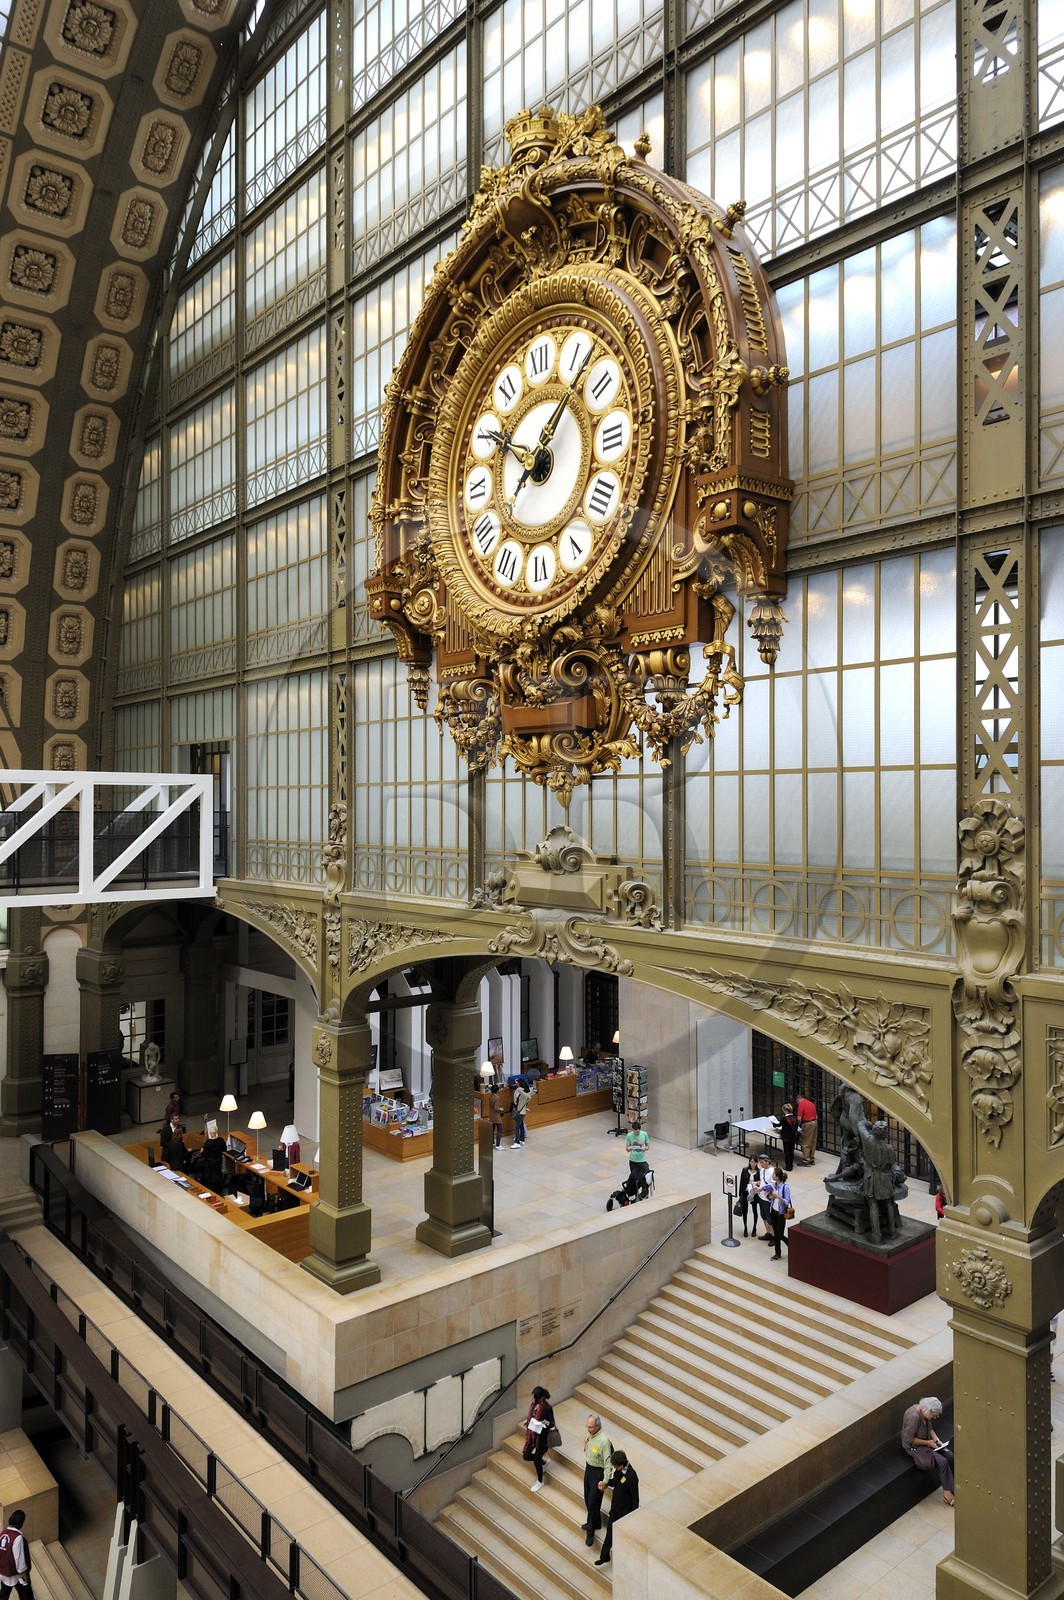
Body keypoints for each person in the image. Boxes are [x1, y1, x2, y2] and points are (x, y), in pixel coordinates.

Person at [901, 1396, 955, 1505]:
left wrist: (937, 1441)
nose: (935, 1417)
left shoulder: (923, 1412)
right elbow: (908, 1439)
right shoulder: (914, 1417)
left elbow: (930, 1429)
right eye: (934, 1415)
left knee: (949, 1455)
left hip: (926, 1442)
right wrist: (928, 1443)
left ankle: (953, 1486)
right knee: (942, 1462)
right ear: (929, 1410)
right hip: (915, 1447)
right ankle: (947, 1494)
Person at [595, 1448, 639, 1566]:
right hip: (615, 1509)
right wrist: (606, 1483)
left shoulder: (631, 1476)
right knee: (610, 1533)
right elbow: (614, 1482)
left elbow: (635, 1498)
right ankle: (604, 1556)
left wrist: (634, 1515)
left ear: (621, 1464)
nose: (614, 1468)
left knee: (623, 1537)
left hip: (625, 1512)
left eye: (615, 1466)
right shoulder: (619, 1471)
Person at [582, 1413, 613, 1546]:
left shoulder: (604, 1441)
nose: (588, 1429)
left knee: (593, 1502)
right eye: (587, 1426)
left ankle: (590, 1531)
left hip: (597, 1473)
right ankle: (596, 1522)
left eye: (590, 1427)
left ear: (598, 1426)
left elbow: (608, 1463)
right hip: (589, 1469)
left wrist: (605, 1481)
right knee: (587, 1498)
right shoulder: (592, 1436)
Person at [521, 1385, 554, 1490]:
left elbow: (552, 1423)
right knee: (526, 1455)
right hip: (532, 1436)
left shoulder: (547, 1408)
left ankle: (540, 1481)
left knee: (536, 1460)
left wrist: (546, 1422)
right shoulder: (534, 1405)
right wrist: (528, 1421)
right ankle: (543, 1461)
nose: (533, 1399)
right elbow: (531, 1416)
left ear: (541, 1398)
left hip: (541, 1438)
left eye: (535, 1397)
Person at [0, 1508, 34, 1599]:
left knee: (4, 1594)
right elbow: (19, 1559)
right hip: (17, 1574)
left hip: (4, 1572)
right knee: (26, 1595)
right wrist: (24, 1575)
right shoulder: (17, 1537)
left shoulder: (3, 1533)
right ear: (20, 1523)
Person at [767, 1165, 792, 1258]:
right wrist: (770, 1195)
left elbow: (787, 1201)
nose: (772, 1175)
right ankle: (777, 1253)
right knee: (776, 1234)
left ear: (777, 1176)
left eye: (773, 1174)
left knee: (780, 1234)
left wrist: (778, 1197)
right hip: (773, 1211)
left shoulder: (785, 1187)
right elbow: (770, 1197)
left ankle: (789, 1242)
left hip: (781, 1213)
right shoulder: (773, 1185)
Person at [625, 1121, 650, 1199]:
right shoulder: (629, 1136)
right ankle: (633, 1191)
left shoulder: (644, 1134)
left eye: (638, 1131)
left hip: (642, 1160)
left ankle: (645, 1191)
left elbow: (648, 1146)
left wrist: (644, 1148)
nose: (636, 1132)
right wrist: (631, 1147)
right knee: (635, 1176)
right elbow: (627, 1149)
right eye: (635, 1131)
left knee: (647, 1176)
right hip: (633, 1160)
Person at [736, 1155, 760, 1237]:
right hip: (746, 1192)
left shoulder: (759, 1172)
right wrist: (740, 1194)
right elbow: (741, 1182)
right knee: (745, 1210)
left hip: (754, 1193)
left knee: (754, 1210)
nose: (753, 1164)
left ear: (757, 1163)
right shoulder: (745, 1170)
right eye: (751, 1162)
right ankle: (745, 1228)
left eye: (754, 1162)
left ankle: (754, 1228)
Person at [773, 1103, 799, 1172]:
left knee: (787, 1152)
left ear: (785, 1110)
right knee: (791, 1151)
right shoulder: (795, 1118)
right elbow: (796, 1127)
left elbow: (779, 1125)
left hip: (786, 1138)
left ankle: (788, 1166)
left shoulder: (784, 1119)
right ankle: (791, 1164)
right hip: (792, 1137)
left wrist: (773, 1123)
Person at [796, 1093, 818, 1165]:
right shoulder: (811, 1103)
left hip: (807, 1123)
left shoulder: (801, 1104)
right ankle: (812, 1158)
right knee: (813, 1141)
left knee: (806, 1142)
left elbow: (799, 1118)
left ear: (798, 1100)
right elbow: (816, 1116)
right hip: (815, 1122)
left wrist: (798, 1125)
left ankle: (806, 1160)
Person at [511, 1077, 531, 1148]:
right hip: (523, 1111)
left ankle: (517, 1142)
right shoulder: (525, 1091)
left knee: (516, 1127)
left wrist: (519, 1090)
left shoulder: (520, 1092)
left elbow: (515, 1102)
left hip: (520, 1112)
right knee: (521, 1125)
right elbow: (529, 1098)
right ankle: (522, 1139)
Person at [488, 1083, 503, 1149]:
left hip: (491, 1115)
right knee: (499, 1130)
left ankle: (492, 1143)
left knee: (492, 1130)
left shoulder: (490, 1096)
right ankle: (498, 1145)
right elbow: (496, 1108)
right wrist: (501, 1109)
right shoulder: (497, 1097)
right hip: (497, 1116)